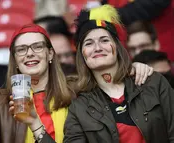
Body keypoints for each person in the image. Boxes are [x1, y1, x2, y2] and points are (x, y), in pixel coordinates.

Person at [0, 24, 152, 143]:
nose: (29, 54)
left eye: (37, 47)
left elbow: (114, 83)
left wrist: (133, 69)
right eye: (21, 50)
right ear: (14, 59)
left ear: (50, 54)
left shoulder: (78, 87)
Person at [64, 5, 174, 143]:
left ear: (117, 47)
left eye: (104, 40)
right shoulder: (79, 107)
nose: (97, 48)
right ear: (82, 55)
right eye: (89, 43)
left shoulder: (153, 83)